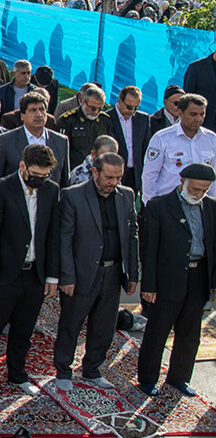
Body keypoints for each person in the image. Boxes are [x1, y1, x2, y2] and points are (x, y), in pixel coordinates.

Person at [0, 144, 61, 398]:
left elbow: (53, 235)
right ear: (22, 166)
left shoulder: (51, 191)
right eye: (35, 174)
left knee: (24, 330)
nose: (39, 180)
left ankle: (17, 374)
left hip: (35, 273)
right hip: (3, 274)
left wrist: (52, 275)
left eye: (45, 176)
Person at [53, 153, 138, 391]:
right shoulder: (73, 196)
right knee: (71, 324)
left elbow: (132, 235)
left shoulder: (126, 196)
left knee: (104, 326)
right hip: (81, 274)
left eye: (118, 178)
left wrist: (133, 273)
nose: (113, 182)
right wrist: (67, 277)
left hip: (112, 274)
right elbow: (65, 240)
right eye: (109, 177)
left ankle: (92, 369)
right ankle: (63, 370)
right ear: (95, 172)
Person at [137, 163, 216, 397]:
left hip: (198, 277)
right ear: (182, 182)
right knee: (157, 331)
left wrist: (212, 282)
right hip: (167, 279)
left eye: (204, 190)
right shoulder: (159, 206)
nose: (198, 194)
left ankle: (179, 378)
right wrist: (148, 285)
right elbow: (149, 249)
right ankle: (148, 379)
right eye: (195, 189)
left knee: (190, 333)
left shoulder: (211, 208)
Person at [140, 93, 216, 204]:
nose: (198, 119)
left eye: (202, 114)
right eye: (193, 114)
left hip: (200, 204)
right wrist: (150, 204)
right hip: (168, 204)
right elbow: (150, 175)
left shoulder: (211, 139)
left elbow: (213, 177)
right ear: (180, 113)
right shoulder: (162, 138)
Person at [0, 92, 71, 186]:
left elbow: (65, 183)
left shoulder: (61, 141)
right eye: (33, 110)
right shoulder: (6, 140)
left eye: (42, 109)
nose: (39, 114)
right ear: (22, 116)